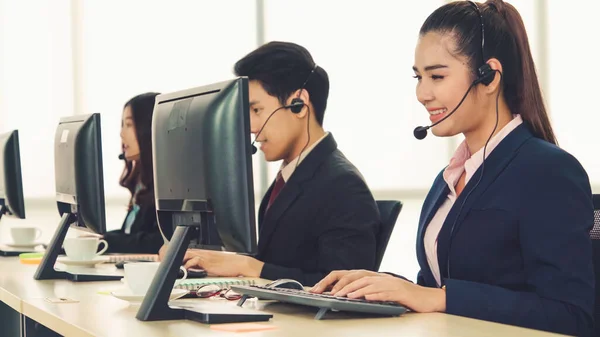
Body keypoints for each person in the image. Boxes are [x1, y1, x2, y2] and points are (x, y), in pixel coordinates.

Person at [311, 1, 594, 336]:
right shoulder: (449, 178)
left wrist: (440, 298)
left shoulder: (549, 172)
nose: (421, 93)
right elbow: (436, 288)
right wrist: (381, 286)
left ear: (488, 77)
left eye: (437, 76)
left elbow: (572, 315)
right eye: (418, 77)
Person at [160, 41, 381, 286]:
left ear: (299, 104)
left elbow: (343, 287)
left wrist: (251, 267)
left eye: (256, 110)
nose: (250, 127)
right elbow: (277, 262)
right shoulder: (290, 178)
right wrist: (220, 261)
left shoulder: (342, 185)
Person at [103, 92, 167, 254]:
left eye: (129, 125)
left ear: (150, 127)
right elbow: (130, 235)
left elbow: (159, 242)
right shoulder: (142, 180)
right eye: (122, 125)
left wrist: (107, 240)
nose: (121, 133)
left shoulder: (168, 182)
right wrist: (99, 239)